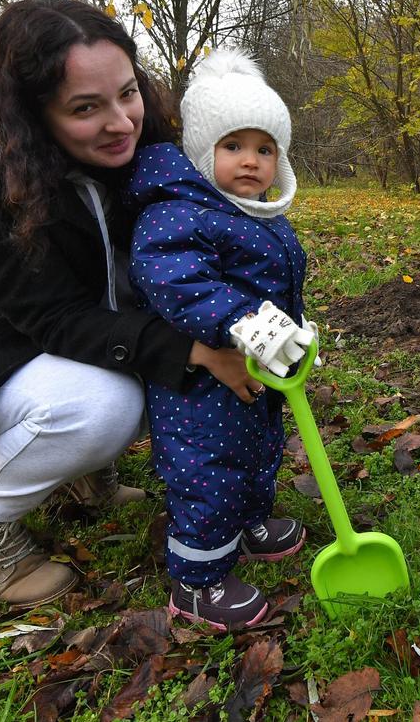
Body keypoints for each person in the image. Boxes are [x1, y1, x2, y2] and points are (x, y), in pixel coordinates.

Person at [0, 0, 258, 608]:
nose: (122, 122)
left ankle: (84, 473)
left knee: (174, 375)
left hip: (81, 348)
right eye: (86, 107)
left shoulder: (146, 146)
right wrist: (196, 350)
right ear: (31, 115)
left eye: (127, 93)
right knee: (111, 404)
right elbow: (49, 316)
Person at [129, 47, 316, 630]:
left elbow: (277, 281)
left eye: (265, 149)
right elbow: (175, 279)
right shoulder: (178, 212)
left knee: (260, 446)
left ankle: (251, 522)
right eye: (233, 146)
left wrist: (291, 331)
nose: (251, 162)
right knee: (209, 468)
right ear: (202, 150)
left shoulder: (257, 213)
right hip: (201, 380)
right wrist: (243, 321)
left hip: (258, 366)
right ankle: (198, 580)